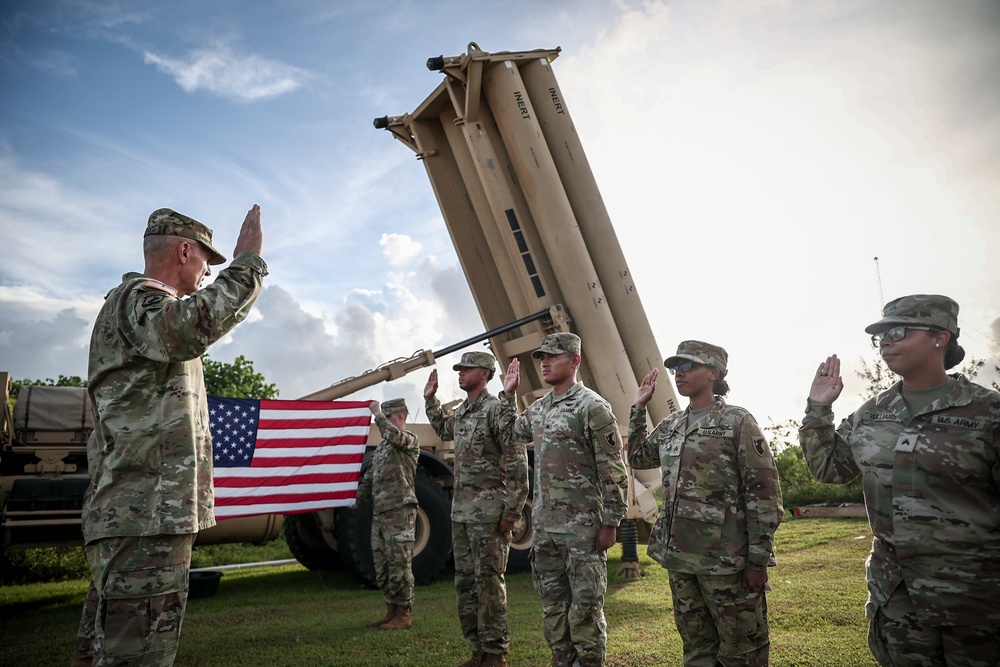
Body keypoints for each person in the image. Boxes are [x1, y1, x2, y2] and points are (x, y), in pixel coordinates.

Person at [73, 205, 266, 667]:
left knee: (107, 651)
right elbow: (190, 327)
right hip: (145, 516)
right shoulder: (140, 299)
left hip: (142, 515)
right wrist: (247, 263)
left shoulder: (137, 307)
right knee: (139, 656)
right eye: (206, 261)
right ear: (184, 251)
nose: (205, 273)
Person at [800, 294, 1000, 667]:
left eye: (898, 331)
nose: (886, 341)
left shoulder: (988, 412)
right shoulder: (872, 413)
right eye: (880, 336)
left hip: (975, 598)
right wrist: (818, 409)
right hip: (897, 594)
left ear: (940, 337)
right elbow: (830, 470)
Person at [628, 340, 783, 667]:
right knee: (697, 648)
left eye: (687, 366)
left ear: (713, 372)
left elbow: (764, 492)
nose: (678, 374)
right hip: (681, 559)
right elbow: (638, 457)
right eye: (675, 368)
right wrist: (638, 408)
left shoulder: (737, 421)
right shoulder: (672, 425)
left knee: (742, 650)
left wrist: (758, 559)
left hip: (726, 560)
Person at [509, 332, 629, 667]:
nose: (544, 362)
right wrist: (508, 397)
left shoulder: (592, 406)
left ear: (575, 360)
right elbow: (510, 434)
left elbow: (614, 469)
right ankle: (562, 660)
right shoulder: (540, 408)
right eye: (542, 357)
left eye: (552, 356)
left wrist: (611, 522)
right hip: (546, 529)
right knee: (553, 605)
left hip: (583, 530)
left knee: (586, 608)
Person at [424, 351, 529, 667]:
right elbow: (444, 429)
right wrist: (430, 399)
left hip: (488, 514)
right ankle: (477, 651)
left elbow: (516, 459)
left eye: (466, 369)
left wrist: (512, 512)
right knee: (466, 584)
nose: (460, 373)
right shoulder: (463, 412)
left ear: (484, 373)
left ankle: (495, 654)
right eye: (459, 369)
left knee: (489, 583)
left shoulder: (495, 410)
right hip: (462, 514)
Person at [354, 398, 420, 631]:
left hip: (399, 512)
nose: (380, 424)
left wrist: (377, 414)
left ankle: (404, 614)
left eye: (385, 418)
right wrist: (354, 500)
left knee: (399, 564)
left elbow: (394, 436)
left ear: (399, 417)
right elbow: (370, 478)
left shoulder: (409, 440)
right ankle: (391, 611)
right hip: (381, 514)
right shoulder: (382, 449)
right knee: (383, 565)